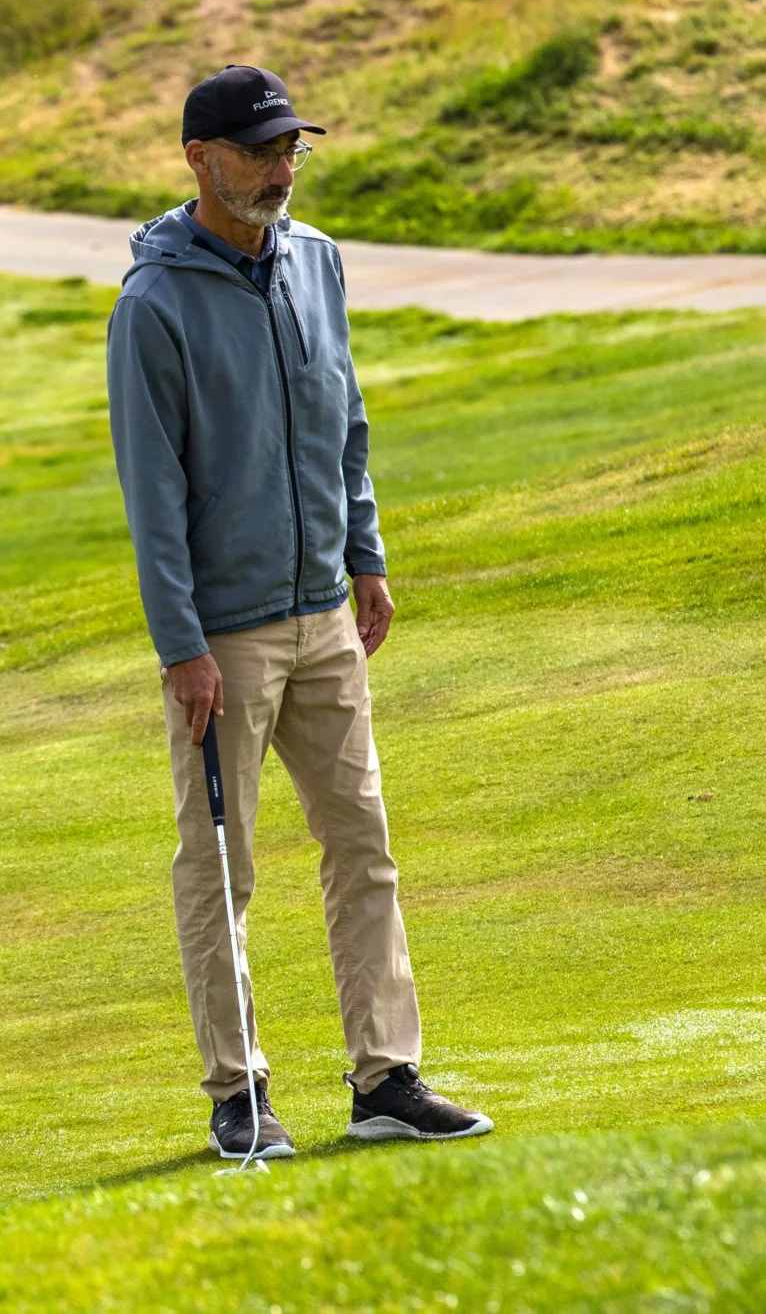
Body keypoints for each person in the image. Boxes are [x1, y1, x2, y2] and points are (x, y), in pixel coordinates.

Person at [105, 66, 493, 1158]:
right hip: (221, 636)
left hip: (324, 611)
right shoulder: (153, 306)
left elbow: (343, 423)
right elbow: (155, 495)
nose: (282, 168)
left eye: (292, 150)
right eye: (262, 151)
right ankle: (238, 1094)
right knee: (221, 867)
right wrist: (181, 647)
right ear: (199, 161)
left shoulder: (315, 263)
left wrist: (364, 554)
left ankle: (385, 1077)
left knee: (362, 843)